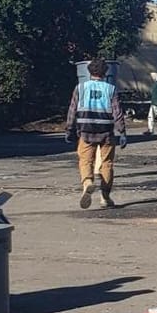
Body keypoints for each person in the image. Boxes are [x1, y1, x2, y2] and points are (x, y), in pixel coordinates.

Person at [65, 59, 128, 209]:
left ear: (89, 72)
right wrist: (122, 132)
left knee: (85, 160)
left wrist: (69, 129)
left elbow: (72, 110)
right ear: (105, 73)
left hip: (86, 130)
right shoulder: (111, 89)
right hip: (106, 131)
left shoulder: (80, 88)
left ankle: (87, 182)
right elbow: (117, 112)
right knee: (106, 163)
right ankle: (105, 197)